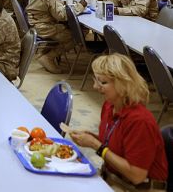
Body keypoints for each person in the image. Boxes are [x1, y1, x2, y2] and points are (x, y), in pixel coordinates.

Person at [70, 54, 168, 191]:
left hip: (139, 187)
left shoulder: (140, 121)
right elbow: (118, 146)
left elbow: (137, 176)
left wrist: (96, 145)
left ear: (124, 84)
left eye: (103, 83)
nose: (95, 87)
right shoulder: (109, 106)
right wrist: (93, 138)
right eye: (95, 80)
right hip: (114, 177)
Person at [26, 0, 87, 74]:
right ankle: (48, 57)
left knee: (69, 28)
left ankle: (44, 54)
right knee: (77, 35)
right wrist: (80, 6)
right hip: (42, 26)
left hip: (35, 22)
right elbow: (62, 16)